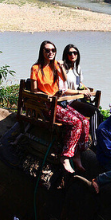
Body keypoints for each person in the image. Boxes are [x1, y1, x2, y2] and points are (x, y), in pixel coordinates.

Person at [30, 40, 89, 174]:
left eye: (53, 50)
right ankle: (66, 156)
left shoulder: (56, 65)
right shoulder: (36, 68)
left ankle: (78, 154)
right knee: (76, 123)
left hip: (60, 101)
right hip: (47, 104)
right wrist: (46, 96)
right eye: (47, 50)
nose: (50, 53)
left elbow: (64, 79)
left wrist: (61, 66)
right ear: (42, 52)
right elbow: (34, 90)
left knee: (85, 121)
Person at [61, 44, 103, 147]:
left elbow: (78, 83)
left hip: (78, 98)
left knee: (99, 114)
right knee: (94, 112)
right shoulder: (63, 69)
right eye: (70, 53)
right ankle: (95, 143)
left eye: (75, 53)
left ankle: (99, 139)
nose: (73, 55)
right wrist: (80, 92)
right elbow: (64, 90)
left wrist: (86, 89)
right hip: (68, 100)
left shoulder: (77, 68)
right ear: (66, 55)